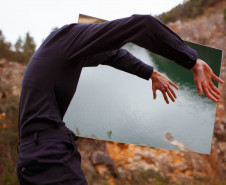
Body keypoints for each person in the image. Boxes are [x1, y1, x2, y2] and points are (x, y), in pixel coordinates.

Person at [16, 14, 223, 185]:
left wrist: (151, 73)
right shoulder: (65, 39)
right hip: (48, 156)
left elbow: (112, 55)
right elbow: (143, 25)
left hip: (34, 157)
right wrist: (192, 60)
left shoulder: (61, 52)